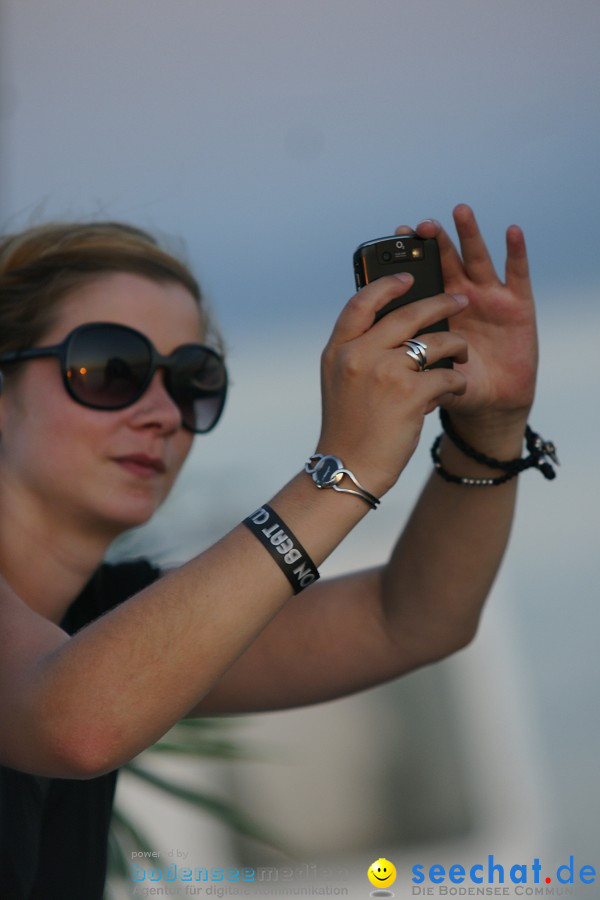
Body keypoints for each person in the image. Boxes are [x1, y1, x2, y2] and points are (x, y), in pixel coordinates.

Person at [0, 205, 554, 898]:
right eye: (112, 367)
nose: (164, 413)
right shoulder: (80, 674)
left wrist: (492, 427)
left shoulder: (108, 617)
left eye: (192, 380)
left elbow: (410, 619)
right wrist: (342, 468)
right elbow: (73, 726)